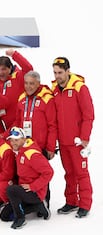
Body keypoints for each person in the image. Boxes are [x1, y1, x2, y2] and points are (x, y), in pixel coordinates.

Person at [51, 57, 94, 218]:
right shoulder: (54, 89)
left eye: (60, 72)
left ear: (68, 71)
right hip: (63, 141)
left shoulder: (79, 88)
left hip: (77, 142)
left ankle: (85, 204)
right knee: (69, 173)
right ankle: (71, 201)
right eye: (55, 72)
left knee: (81, 173)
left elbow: (88, 115)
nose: (57, 76)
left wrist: (84, 137)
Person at [9, 70, 57, 207]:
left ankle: (44, 201)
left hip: (40, 145)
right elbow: (17, 122)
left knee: (43, 173)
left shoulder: (47, 98)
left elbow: (52, 125)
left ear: (38, 84)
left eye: (32, 83)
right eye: (26, 83)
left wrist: (51, 147)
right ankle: (27, 203)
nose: (28, 86)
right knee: (24, 173)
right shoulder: (21, 98)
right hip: (23, 144)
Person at [4, 127, 53, 229]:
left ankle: (20, 218)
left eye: (16, 140)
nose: (13, 143)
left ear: (23, 139)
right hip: (24, 190)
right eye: (11, 140)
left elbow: (49, 172)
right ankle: (38, 207)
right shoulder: (19, 151)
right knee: (4, 216)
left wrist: (33, 186)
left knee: (11, 190)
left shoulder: (32, 154)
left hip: (35, 192)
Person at [0, 49, 33, 130]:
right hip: (6, 127)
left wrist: (15, 54)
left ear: (10, 68)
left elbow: (29, 68)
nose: (0, 72)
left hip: (21, 124)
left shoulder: (18, 77)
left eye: (3, 69)